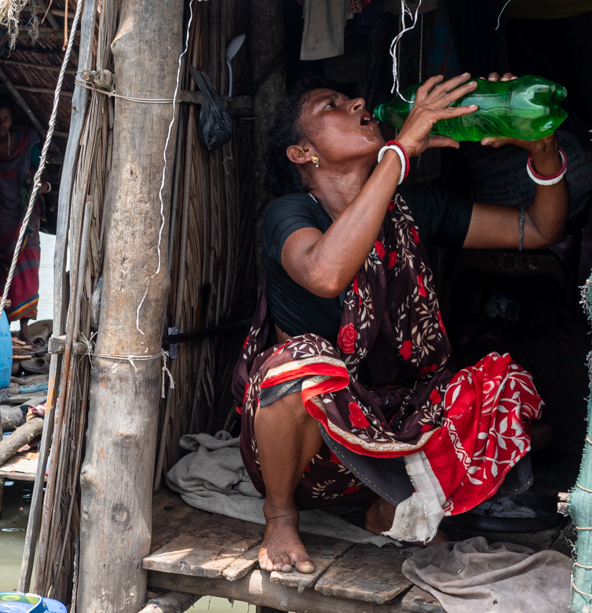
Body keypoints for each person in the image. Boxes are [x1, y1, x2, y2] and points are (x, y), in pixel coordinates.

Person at [235, 73, 570, 574]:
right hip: (318, 459)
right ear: (303, 153)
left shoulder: (410, 209)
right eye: (332, 103)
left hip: (400, 441)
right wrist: (400, 152)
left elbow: (539, 229)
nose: (357, 102)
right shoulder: (289, 214)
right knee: (301, 364)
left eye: (352, 97)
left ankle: (387, 508)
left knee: (503, 390)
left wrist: (542, 150)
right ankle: (281, 516)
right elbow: (326, 274)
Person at [0, 93, 46, 328]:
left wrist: (42, 186)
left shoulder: (25, 143)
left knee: (25, 270)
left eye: (7, 119)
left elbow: (42, 171)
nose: (2, 124)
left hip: (22, 218)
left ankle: (24, 332)